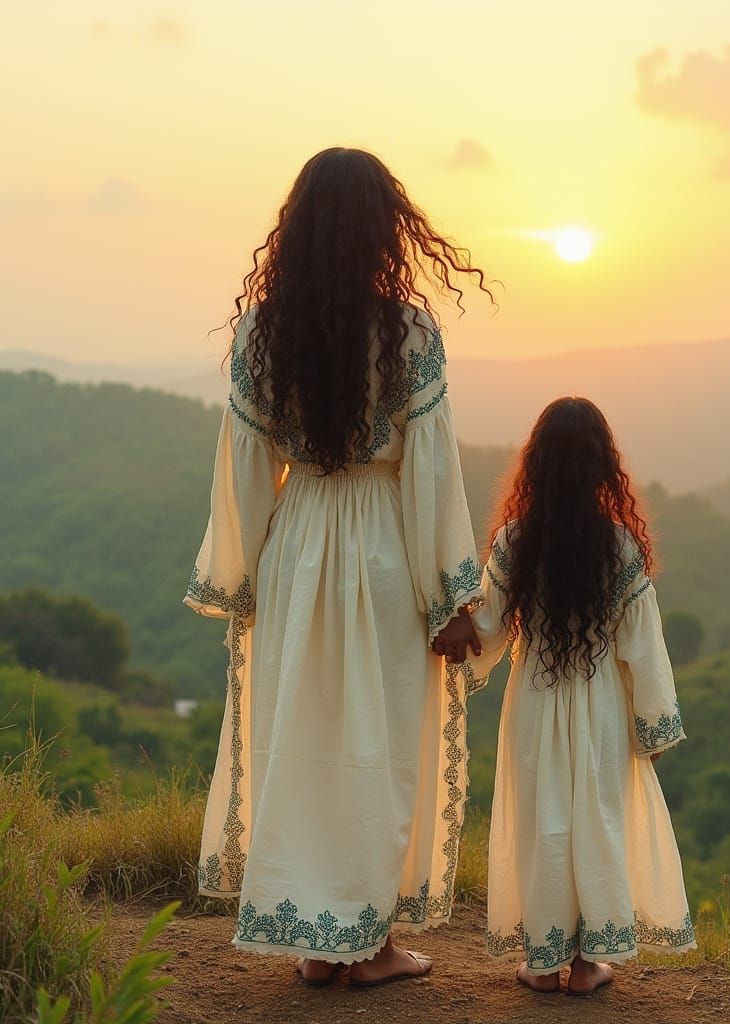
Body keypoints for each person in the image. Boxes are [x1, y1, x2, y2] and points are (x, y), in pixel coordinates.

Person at [184, 147, 487, 988]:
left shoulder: (262, 331)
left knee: (302, 738)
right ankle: (371, 945)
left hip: (297, 543)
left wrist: (242, 572)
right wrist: (451, 596)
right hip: (385, 546)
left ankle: (320, 945)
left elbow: (243, 464)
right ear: (387, 228)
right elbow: (432, 473)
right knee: (378, 745)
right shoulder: (409, 330)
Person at [464, 397, 695, 996]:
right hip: (599, 710)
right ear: (601, 466)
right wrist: (654, 727)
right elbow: (642, 648)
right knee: (597, 822)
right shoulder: (620, 548)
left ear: (535, 463)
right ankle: (590, 964)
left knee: (543, 824)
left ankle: (542, 963)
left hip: (534, 703)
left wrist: (445, 626)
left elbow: (486, 631)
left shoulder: (515, 541)